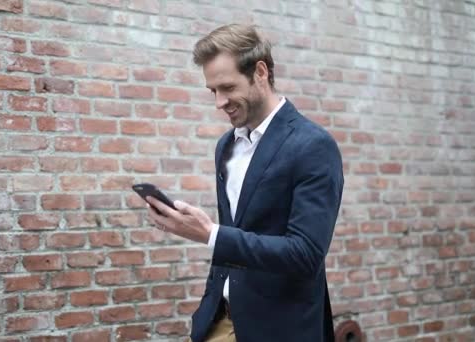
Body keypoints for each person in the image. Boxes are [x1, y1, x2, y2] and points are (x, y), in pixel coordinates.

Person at [145, 23, 344, 342]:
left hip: (280, 327)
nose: (219, 102)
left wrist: (211, 234)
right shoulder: (226, 146)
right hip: (220, 319)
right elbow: (240, 230)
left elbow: (305, 253)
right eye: (213, 91)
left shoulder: (313, 145)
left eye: (227, 87)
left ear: (260, 72)